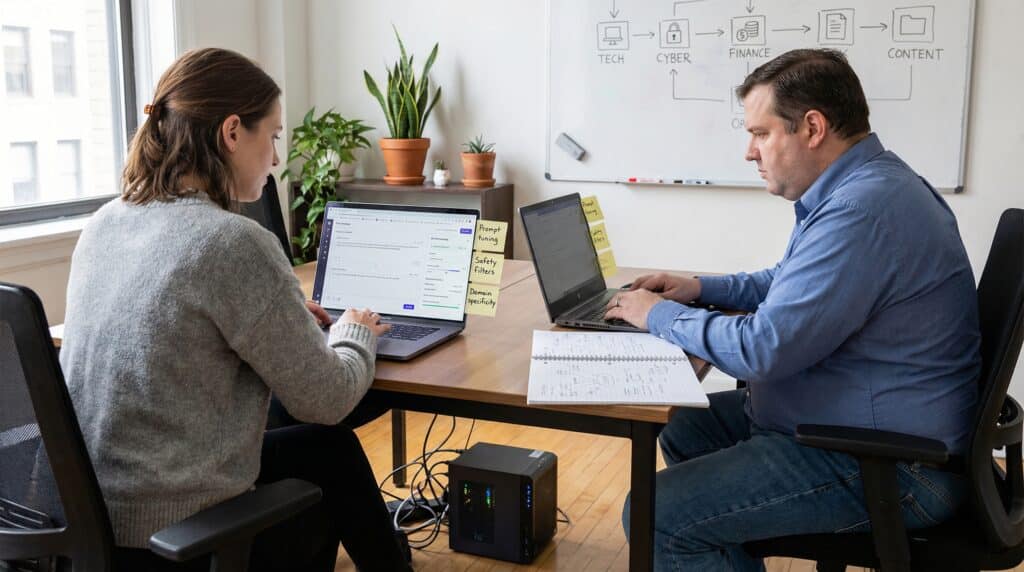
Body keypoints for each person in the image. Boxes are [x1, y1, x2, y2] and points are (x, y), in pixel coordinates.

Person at [605, 48, 980, 571]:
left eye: (760, 134)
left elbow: (763, 349)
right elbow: (788, 282)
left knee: (657, 514)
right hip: (867, 430)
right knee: (686, 429)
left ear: (812, 127)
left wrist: (657, 316)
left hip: (891, 466)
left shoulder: (860, 211)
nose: (749, 152)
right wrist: (698, 287)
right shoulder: (867, 185)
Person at [60, 48, 410, 572]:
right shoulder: (233, 242)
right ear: (230, 133)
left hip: (86, 528)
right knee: (330, 442)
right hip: (180, 536)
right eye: (271, 135)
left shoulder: (105, 222)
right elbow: (328, 398)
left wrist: (286, 316)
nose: (274, 158)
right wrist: (355, 333)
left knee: (323, 450)